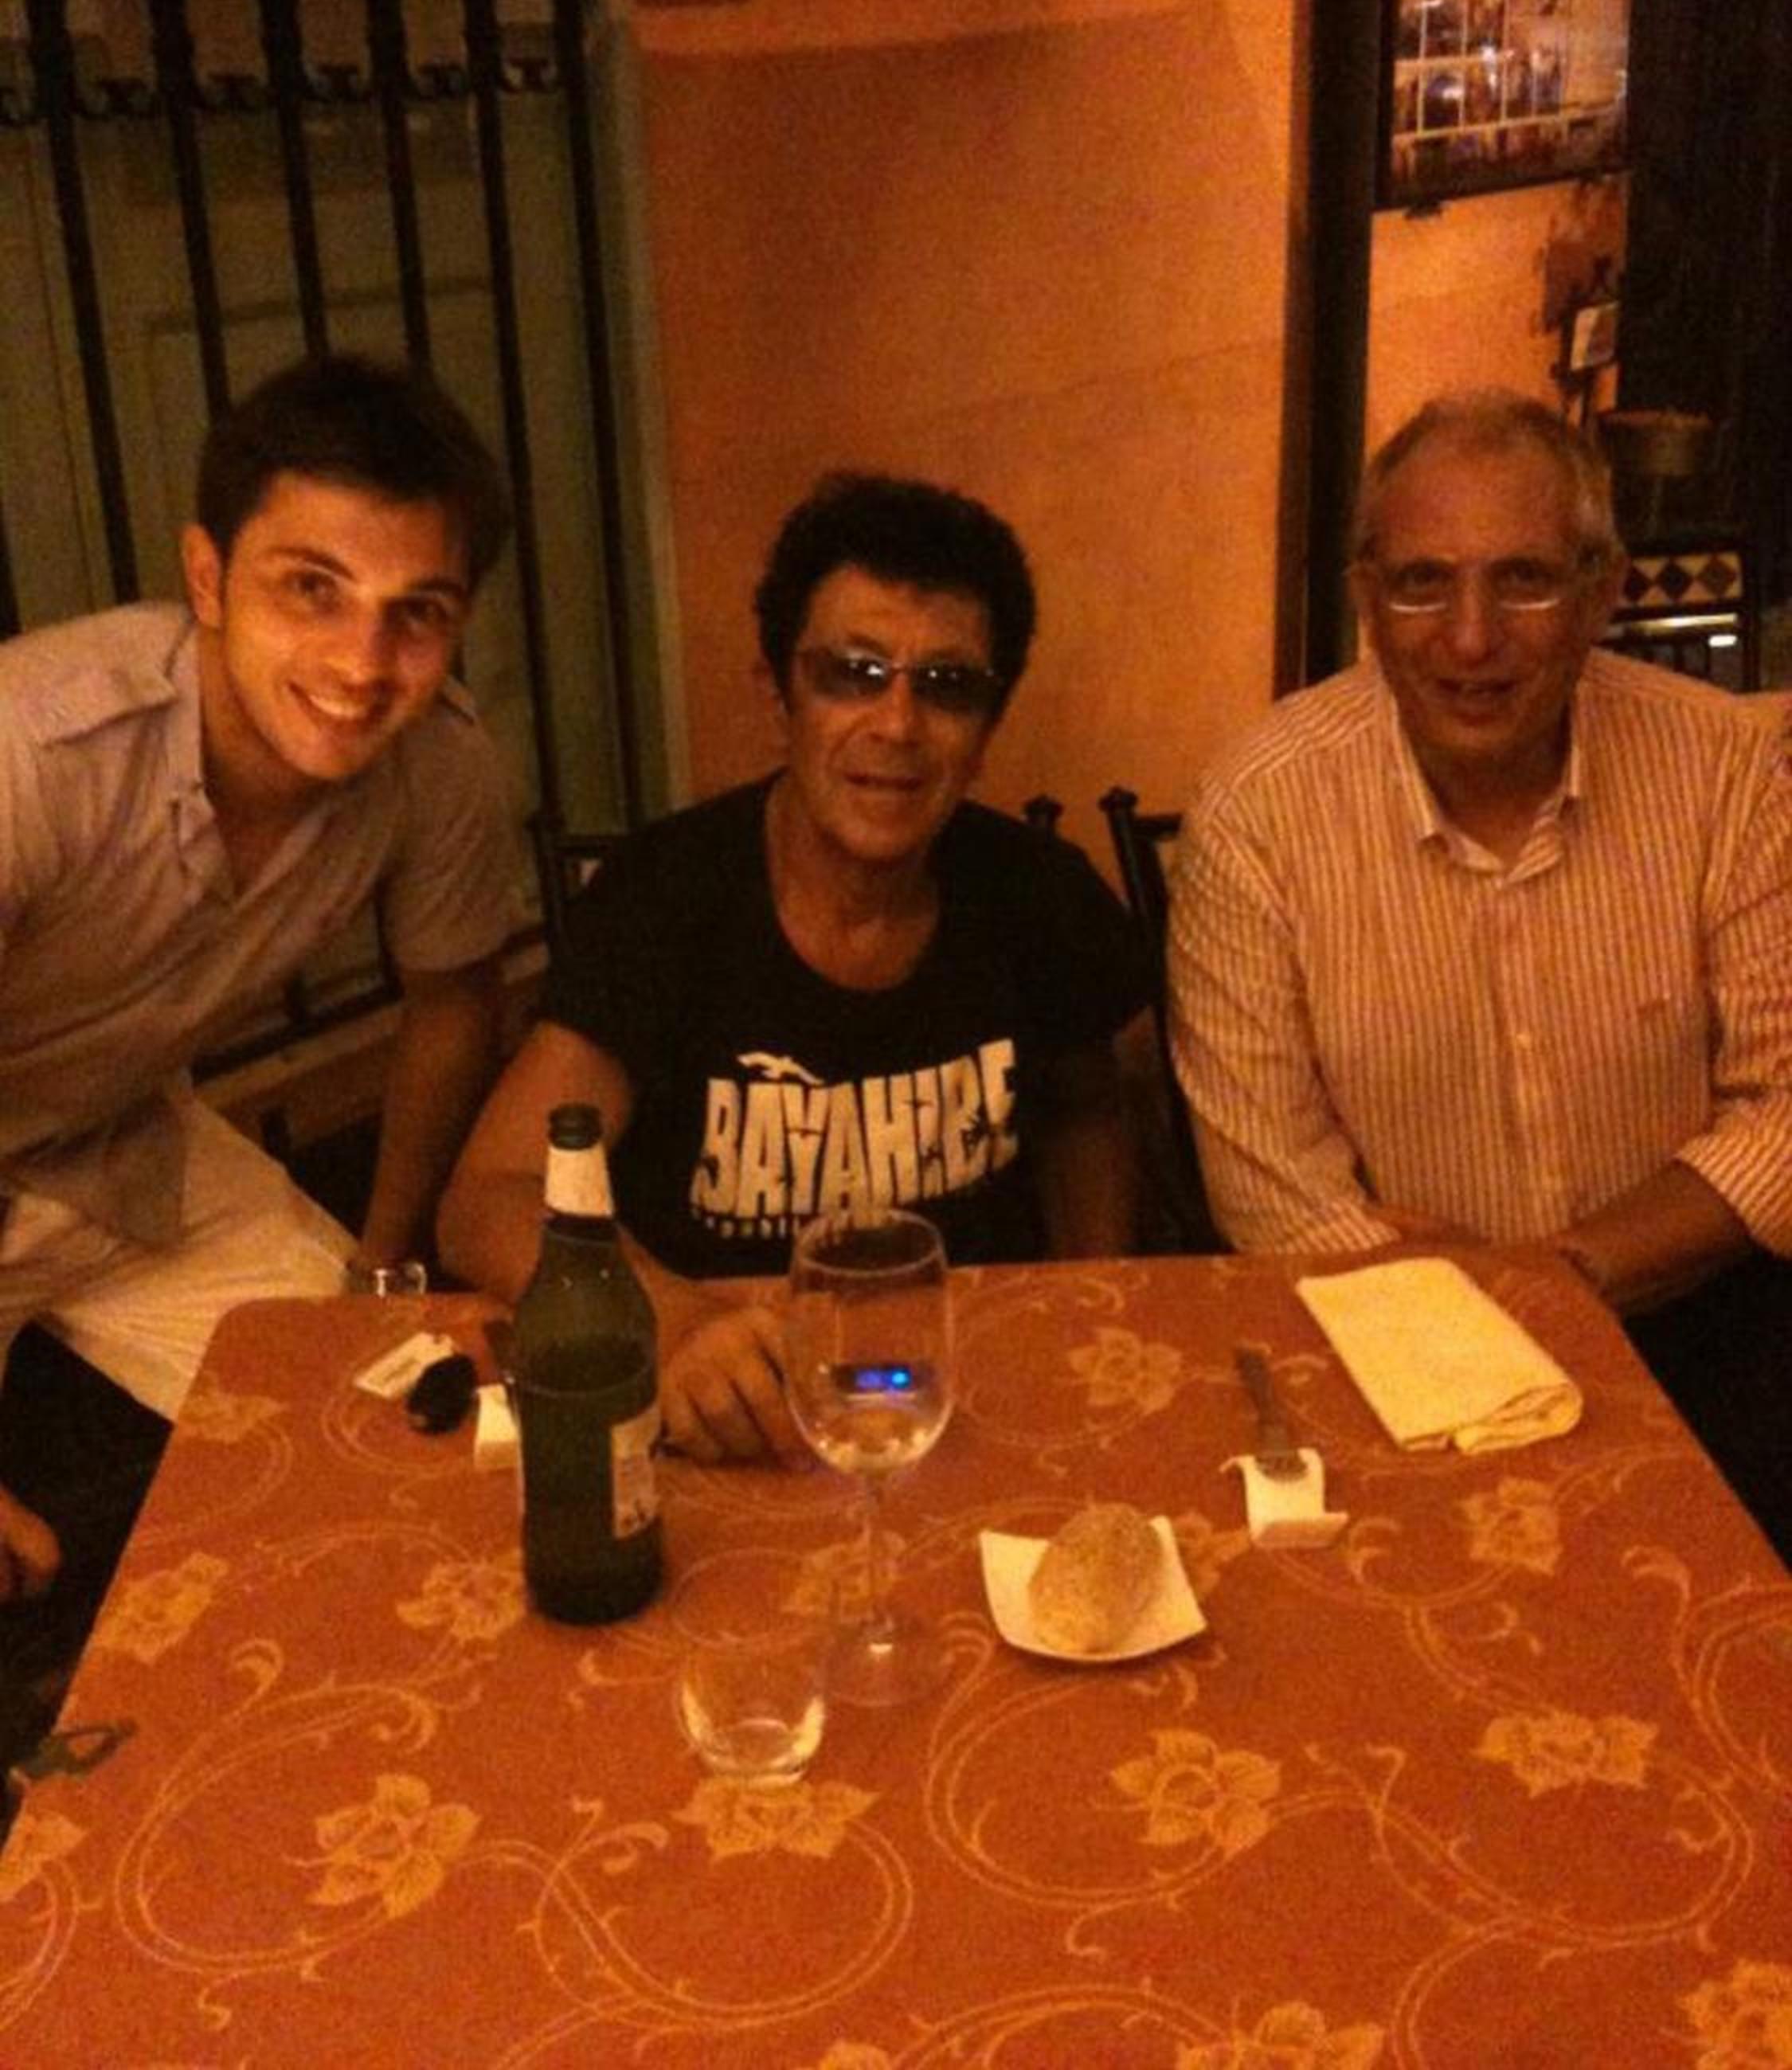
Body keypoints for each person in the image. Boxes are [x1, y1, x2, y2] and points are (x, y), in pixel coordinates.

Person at [0, 351, 521, 1755]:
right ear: (209, 577)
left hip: (123, 1140)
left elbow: (454, 1004)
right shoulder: (28, 754)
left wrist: (384, 1269)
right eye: (312, 589)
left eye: (417, 614)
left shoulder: (440, 764)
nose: (362, 666)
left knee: (399, 1422)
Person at [1168, 389, 1792, 1552]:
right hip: (1385, 1348)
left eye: (1524, 580)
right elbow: (1274, 1194)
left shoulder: (1728, 771)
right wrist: (1468, 1315)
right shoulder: (1256, 812)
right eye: (1422, 583)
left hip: (1704, 1327)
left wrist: (1560, 1275)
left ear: (1603, 592)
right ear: (1367, 598)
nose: (1469, 638)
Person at [440, 470, 1151, 1465]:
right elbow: (493, 1192)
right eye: (852, 674)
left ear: (987, 731)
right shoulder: (666, 897)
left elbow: (1087, 1108)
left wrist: (1090, 1304)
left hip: (970, 1399)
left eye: (947, 687)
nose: (897, 726)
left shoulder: (1040, 895)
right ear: (778, 694)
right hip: (718, 1403)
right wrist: (672, 1319)